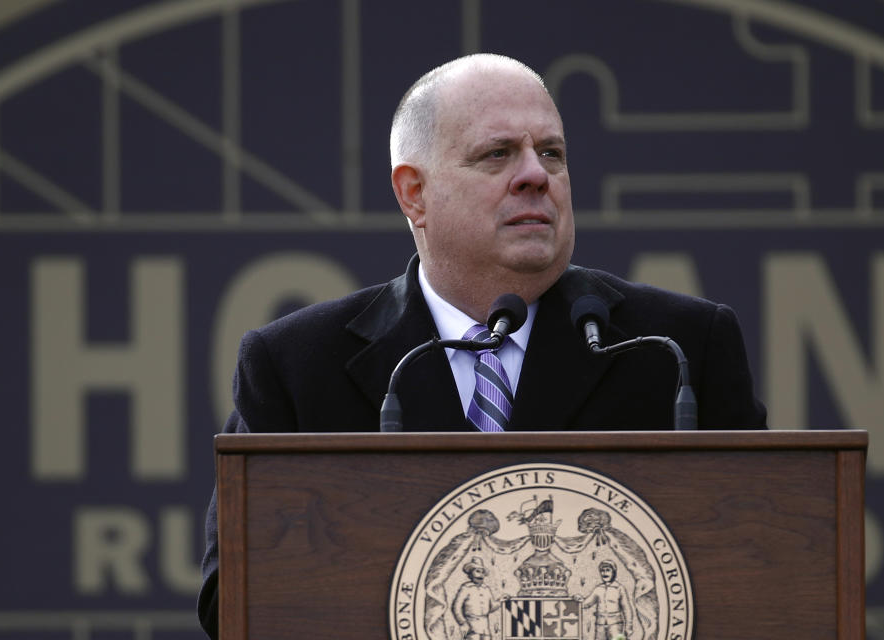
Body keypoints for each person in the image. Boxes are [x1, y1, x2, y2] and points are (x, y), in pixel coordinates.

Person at [196, 53, 766, 638]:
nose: (535, 175)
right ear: (413, 193)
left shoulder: (678, 349)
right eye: (498, 154)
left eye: (551, 153)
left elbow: (767, 572)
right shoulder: (295, 365)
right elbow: (237, 601)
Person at [582, 560, 636, 640]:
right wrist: (579, 601)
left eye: (608, 570)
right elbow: (587, 603)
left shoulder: (619, 588)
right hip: (600, 625)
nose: (605, 573)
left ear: (613, 572)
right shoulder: (598, 589)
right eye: (602, 571)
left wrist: (629, 626)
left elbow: (626, 609)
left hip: (616, 625)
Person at [452, 557, 501, 639]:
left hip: (485, 627)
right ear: (470, 574)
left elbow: (491, 607)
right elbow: (456, 607)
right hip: (471, 626)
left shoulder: (486, 589)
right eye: (477, 571)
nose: (480, 575)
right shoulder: (466, 588)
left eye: (482, 572)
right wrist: (463, 622)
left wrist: (500, 601)